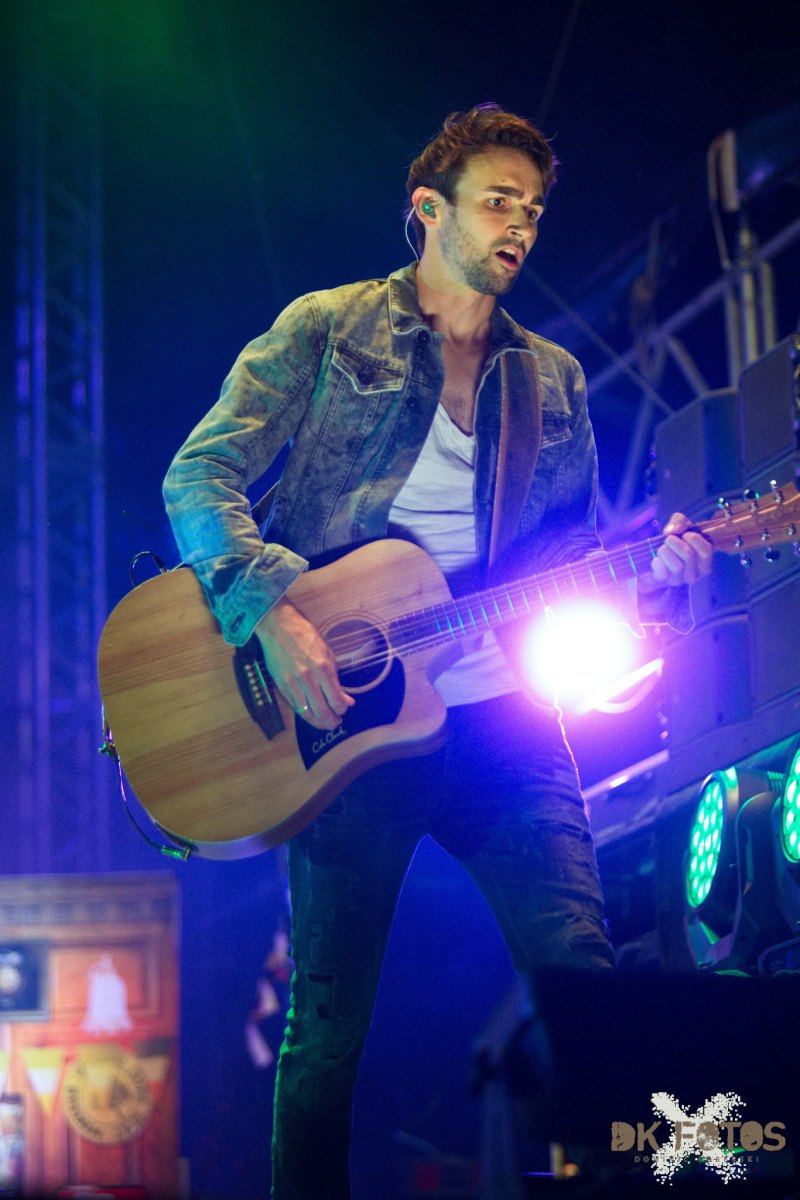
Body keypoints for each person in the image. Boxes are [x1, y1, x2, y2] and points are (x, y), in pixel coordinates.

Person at [163, 103, 713, 1198]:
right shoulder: (328, 329)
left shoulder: (550, 379)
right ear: (429, 209)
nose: (521, 227)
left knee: (586, 982)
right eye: (498, 202)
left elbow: (568, 555)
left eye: (534, 210)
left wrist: (654, 569)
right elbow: (200, 474)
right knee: (327, 1034)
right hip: (345, 723)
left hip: (505, 723)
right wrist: (271, 613)